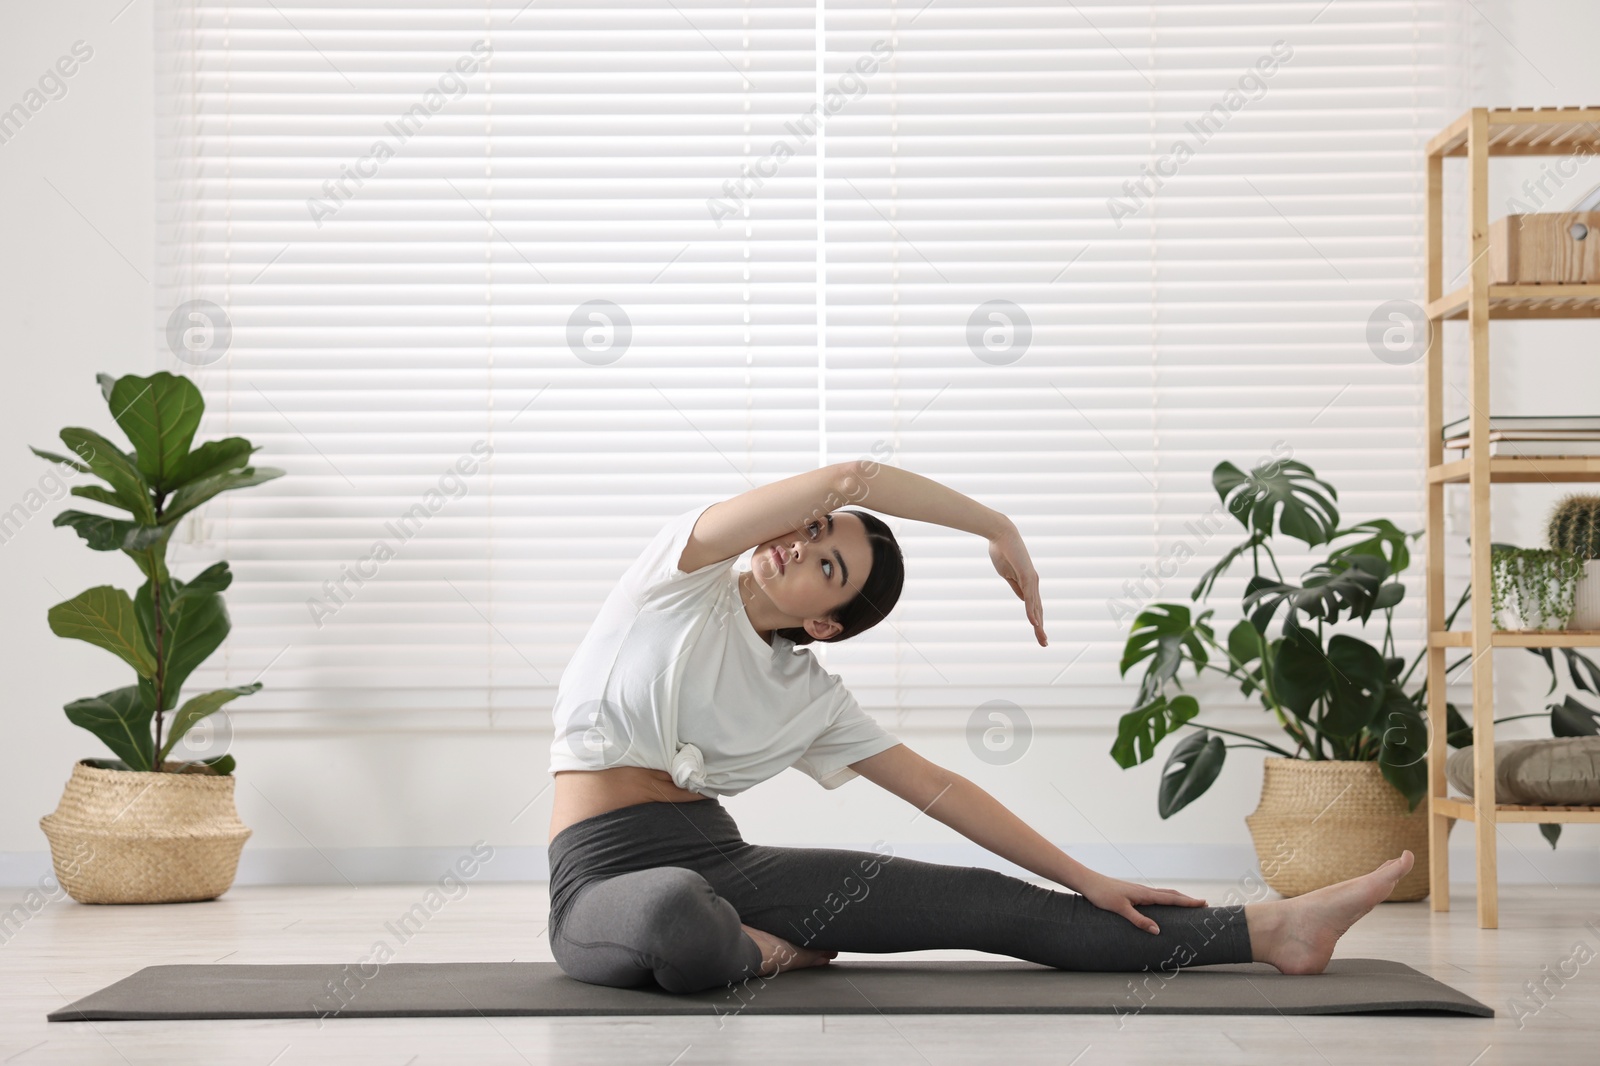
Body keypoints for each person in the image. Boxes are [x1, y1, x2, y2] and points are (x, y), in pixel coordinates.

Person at [545, 461, 1415, 994]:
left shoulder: (809, 695)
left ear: (825, 626)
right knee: (672, 917)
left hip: (723, 858)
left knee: (987, 904)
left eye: (827, 564)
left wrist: (1087, 876)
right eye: (810, 531)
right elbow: (850, 474)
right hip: (600, 875)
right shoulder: (678, 573)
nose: (799, 546)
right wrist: (995, 526)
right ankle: (764, 954)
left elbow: (941, 790)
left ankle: (1273, 931)